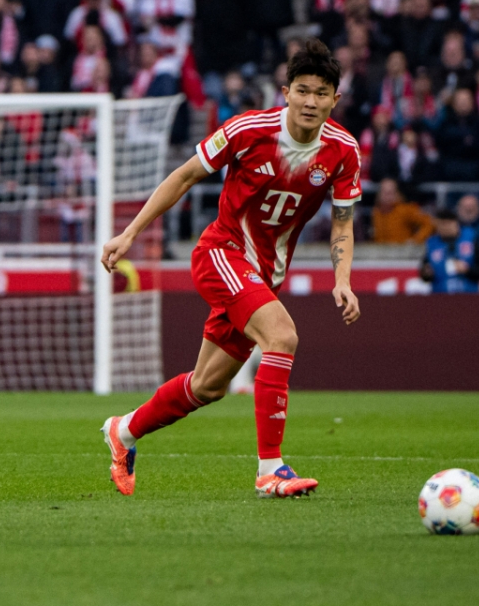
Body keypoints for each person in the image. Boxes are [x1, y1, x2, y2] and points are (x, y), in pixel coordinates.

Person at [99, 39, 363, 499]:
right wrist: (129, 233)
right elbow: (184, 176)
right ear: (286, 92)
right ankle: (271, 470)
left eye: (321, 93)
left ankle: (123, 431)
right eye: (303, 90)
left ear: (334, 99)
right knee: (282, 336)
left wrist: (343, 280)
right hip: (221, 253)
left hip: (264, 275)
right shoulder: (248, 130)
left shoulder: (343, 151)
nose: (311, 101)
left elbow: (342, 223)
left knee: (208, 386)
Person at [419, 208, 479, 293]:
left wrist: (467, 270)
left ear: (455, 223)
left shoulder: (471, 240)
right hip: (440, 295)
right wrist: (427, 273)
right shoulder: (432, 244)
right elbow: (424, 273)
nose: (443, 228)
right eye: (440, 225)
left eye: (446, 224)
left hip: (468, 295)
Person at [371, 178, 432, 243]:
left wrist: (416, 240)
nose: (387, 197)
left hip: (402, 248)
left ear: (397, 194)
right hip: (381, 248)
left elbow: (429, 223)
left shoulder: (405, 209)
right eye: (384, 192)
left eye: (390, 193)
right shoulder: (376, 212)